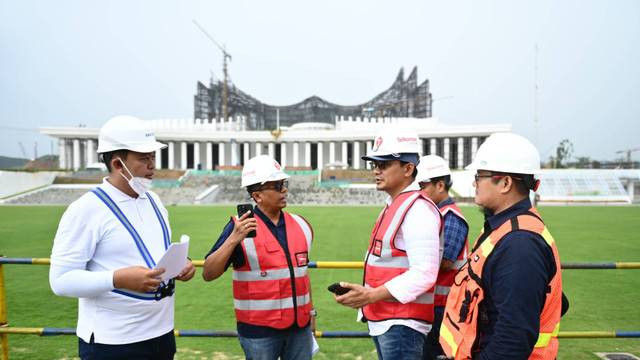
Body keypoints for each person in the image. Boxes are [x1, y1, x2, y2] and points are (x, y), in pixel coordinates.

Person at [49, 115, 196, 360]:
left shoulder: (154, 201)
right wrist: (117, 279)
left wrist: (181, 264)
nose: (152, 165)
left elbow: (152, 253)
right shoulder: (86, 209)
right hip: (113, 343)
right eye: (143, 158)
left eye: (152, 157)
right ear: (118, 163)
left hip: (161, 336)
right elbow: (61, 281)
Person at [439, 132, 562, 360]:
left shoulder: (520, 244)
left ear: (505, 183)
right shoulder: (505, 231)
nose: (474, 183)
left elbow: (512, 341)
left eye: (480, 175)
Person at [334, 128, 442, 360]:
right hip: (390, 320)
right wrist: (367, 295)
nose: (376, 171)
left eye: (384, 165)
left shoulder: (417, 209)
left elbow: (424, 273)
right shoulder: (398, 204)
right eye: (375, 165)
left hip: (402, 323)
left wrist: (371, 296)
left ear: (408, 168)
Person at [202, 155, 315, 360]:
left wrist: (312, 315)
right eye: (277, 186)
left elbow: (302, 277)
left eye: (284, 184)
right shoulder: (238, 227)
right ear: (257, 196)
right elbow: (209, 272)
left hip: (300, 328)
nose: (284, 190)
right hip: (259, 333)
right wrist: (233, 239)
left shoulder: (302, 225)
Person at [416, 155, 469, 360]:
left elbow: (445, 262)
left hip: (444, 305)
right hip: (434, 303)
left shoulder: (450, 217)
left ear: (440, 185)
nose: (420, 192)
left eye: (423, 186)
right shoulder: (438, 214)